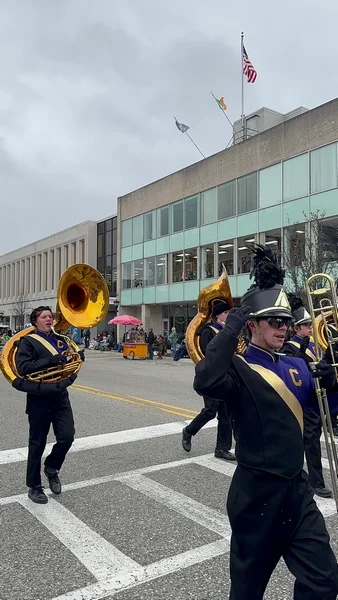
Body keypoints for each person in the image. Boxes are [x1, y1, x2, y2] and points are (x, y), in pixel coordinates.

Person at [194, 245, 338, 600]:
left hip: (297, 492)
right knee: (246, 592)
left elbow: (324, 410)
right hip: (256, 497)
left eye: (287, 322)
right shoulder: (238, 368)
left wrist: (332, 380)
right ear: (253, 324)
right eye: (275, 321)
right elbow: (206, 381)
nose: (283, 328)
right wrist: (231, 329)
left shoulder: (297, 363)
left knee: (325, 582)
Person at [14, 306, 84, 505]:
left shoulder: (61, 340)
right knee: (37, 443)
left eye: (50, 316)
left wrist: (76, 358)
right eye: (44, 317)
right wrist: (50, 361)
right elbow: (23, 367)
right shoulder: (27, 341)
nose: (49, 319)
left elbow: (67, 363)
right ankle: (34, 486)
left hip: (60, 396)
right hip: (39, 398)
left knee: (67, 437)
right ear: (35, 321)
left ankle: (51, 467)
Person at [282, 294, 332, 498]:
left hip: (317, 396)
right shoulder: (289, 346)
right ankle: (316, 482)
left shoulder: (314, 342)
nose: (310, 328)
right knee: (309, 442)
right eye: (305, 325)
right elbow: (289, 371)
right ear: (296, 328)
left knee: (311, 439)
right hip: (301, 402)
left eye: (309, 325)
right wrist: (300, 354)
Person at [182, 300, 236, 461]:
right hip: (212, 376)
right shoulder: (208, 331)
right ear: (218, 315)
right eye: (226, 313)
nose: (228, 315)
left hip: (226, 376)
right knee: (210, 411)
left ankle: (222, 448)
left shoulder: (228, 331)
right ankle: (188, 431)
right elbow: (208, 352)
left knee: (225, 414)